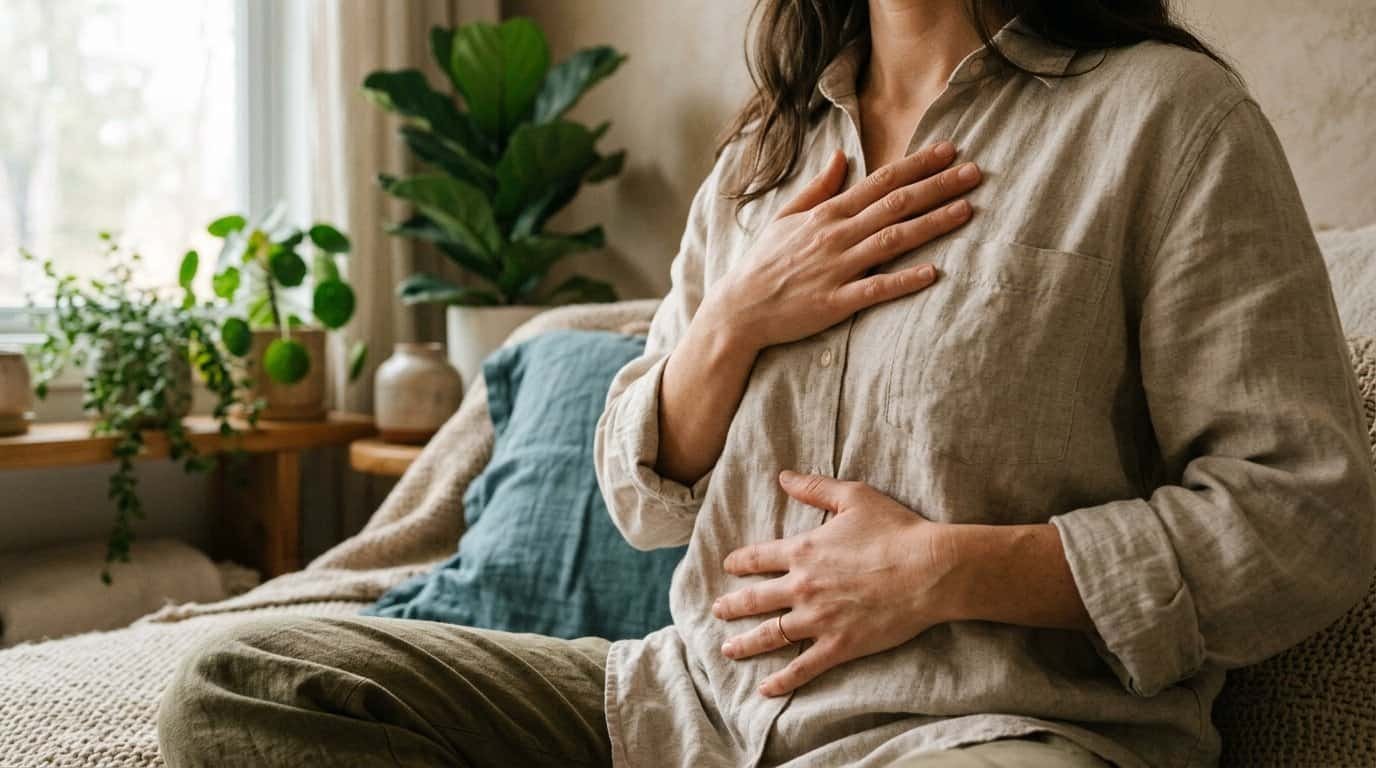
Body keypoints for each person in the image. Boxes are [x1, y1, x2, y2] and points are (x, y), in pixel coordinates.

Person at [158, 1, 1376, 766]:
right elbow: (646, 499)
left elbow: (1302, 518)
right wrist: (736, 314)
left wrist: (945, 568)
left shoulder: (1166, 119)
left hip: (988, 729)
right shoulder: (764, 158)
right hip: (683, 711)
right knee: (246, 688)